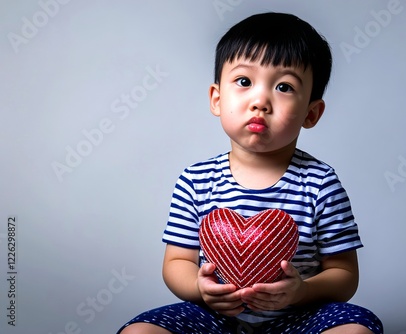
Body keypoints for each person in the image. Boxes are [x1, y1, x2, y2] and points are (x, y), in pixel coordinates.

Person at [117, 12, 383, 334]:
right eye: (244, 82)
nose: (260, 101)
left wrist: (302, 292)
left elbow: (344, 275)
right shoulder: (196, 180)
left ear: (311, 113)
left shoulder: (320, 183)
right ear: (217, 99)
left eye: (284, 87)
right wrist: (201, 290)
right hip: (215, 319)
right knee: (140, 331)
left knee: (358, 328)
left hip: (297, 320)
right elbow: (177, 263)